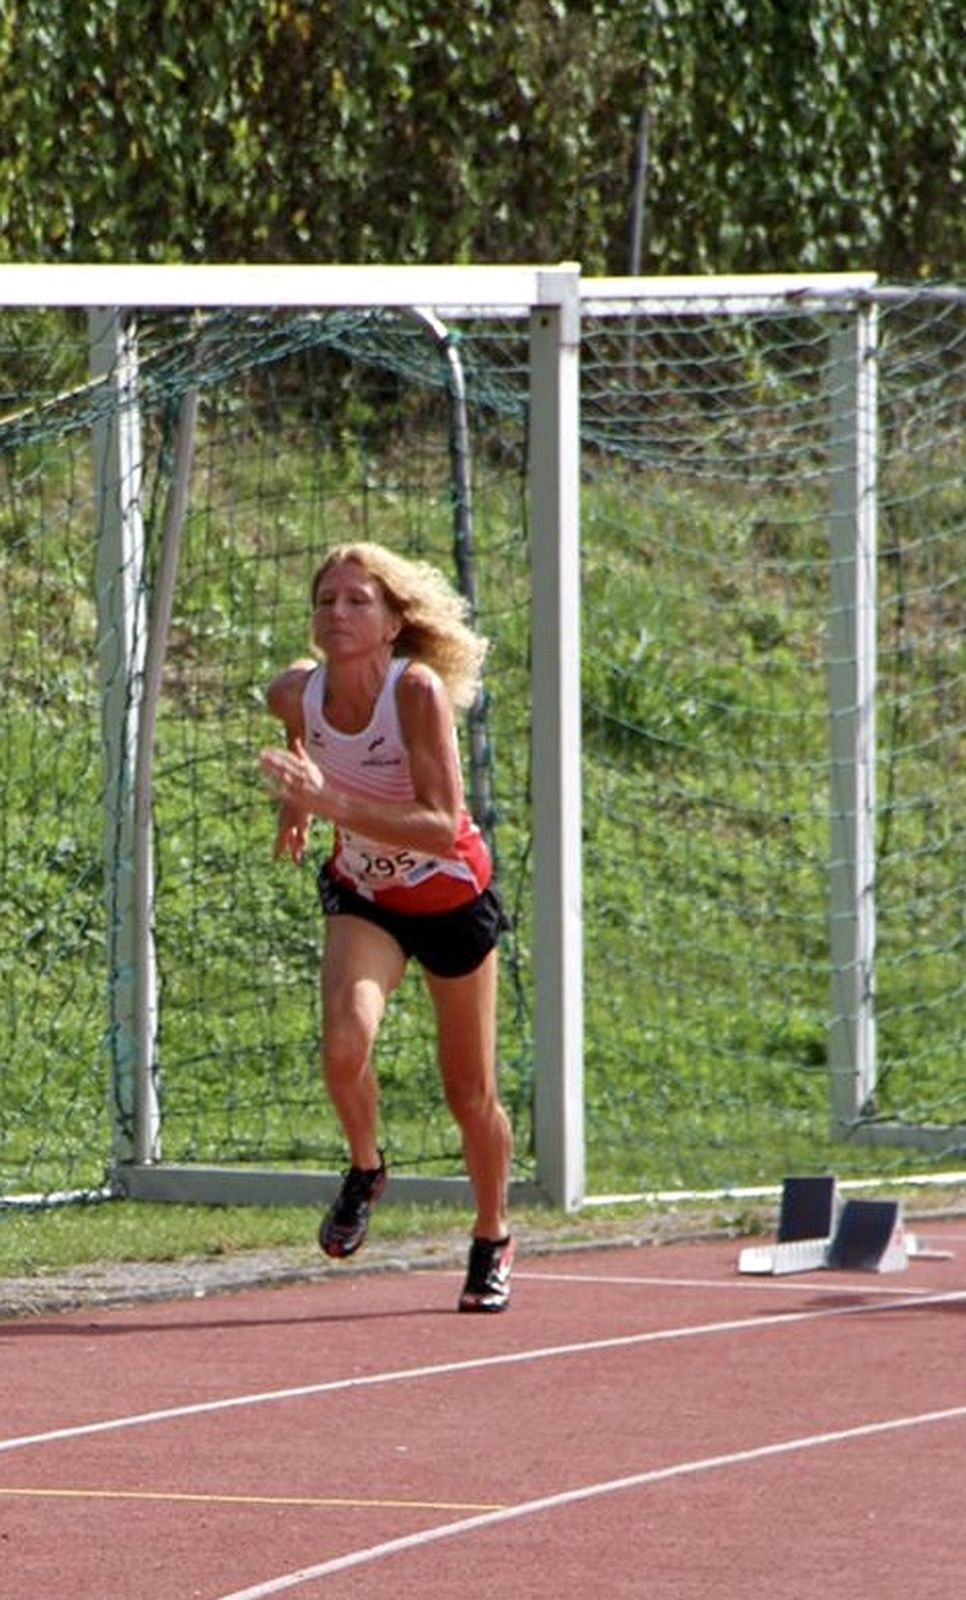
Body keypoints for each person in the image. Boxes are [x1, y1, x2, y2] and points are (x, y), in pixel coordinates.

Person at [259, 541, 515, 1313]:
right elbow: (299, 727)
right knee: (344, 1045)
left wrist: (326, 801)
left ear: (393, 622)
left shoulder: (416, 692)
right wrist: (296, 799)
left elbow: (440, 826)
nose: (337, 613)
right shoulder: (295, 692)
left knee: (469, 1094)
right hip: (367, 899)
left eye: (357, 601)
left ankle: (492, 1235)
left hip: (450, 900)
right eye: (325, 600)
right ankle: (367, 1169)